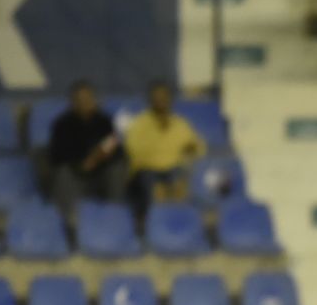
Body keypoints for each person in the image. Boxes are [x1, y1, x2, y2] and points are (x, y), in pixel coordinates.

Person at [124, 81, 206, 217]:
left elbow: (199, 147)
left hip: (173, 169)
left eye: (164, 97)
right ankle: (154, 223)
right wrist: (158, 151)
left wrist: (193, 147)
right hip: (147, 170)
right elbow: (132, 149)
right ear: (150, 100)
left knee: (183, 178)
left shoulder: (180, 123)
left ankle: (180, 221)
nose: (160, 100)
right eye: (156, 97)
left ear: (170, 100)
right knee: (151, 183)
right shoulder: (140, 123)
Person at [46, 81, 126, 216]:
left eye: (87, 98)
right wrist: (82, 164)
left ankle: (114, 215)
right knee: (63, 173)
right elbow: (57, 155)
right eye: (79, 99)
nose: (84, 103)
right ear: (73, 102)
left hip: (101, 174)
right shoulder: (62, 125)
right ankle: (68, 221)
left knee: (117, 169)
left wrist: (99, 158)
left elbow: (115, 148)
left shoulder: (105, 122)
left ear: (94, 100)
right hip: (75, 175)